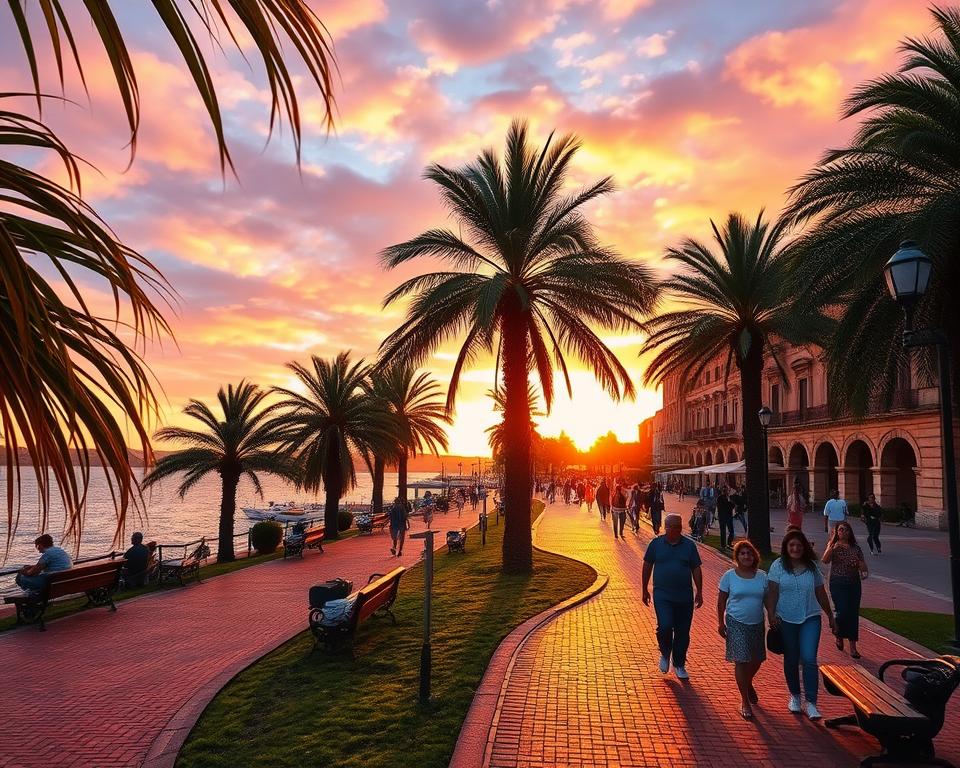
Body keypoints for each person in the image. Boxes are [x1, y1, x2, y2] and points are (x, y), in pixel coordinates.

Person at [766, 530, 835, 720]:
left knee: (809, 658)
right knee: (791, 658)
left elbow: (820, 592)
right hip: (785, 618)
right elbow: (772, 592)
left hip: (810, 617)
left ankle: (811, 702)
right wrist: (770, 614)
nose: (795, 548)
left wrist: (830, 615)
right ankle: (795, 696)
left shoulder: (812, 567)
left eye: (798, 545)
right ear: (786, 548)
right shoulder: (778, 566)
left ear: (804, 547)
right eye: (791, 546)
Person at [642, 513, 704, 680]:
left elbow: (696, 568)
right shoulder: (656, 544)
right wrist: (644, 589)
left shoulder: (689, 546)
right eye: (672, 526)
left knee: (683, 631)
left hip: (684, 595)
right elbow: (647, 565)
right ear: (666, 527)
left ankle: (679, 663)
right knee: (665, 625)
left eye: (679, 526)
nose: (676, 530)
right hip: (663, 594)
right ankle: (664, 652)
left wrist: (700, 590)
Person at [718, 540, 772, 720]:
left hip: (756, 623)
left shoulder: (762, 576)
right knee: (741, 659)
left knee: (756, 660)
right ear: (737, 556)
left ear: (754, 556)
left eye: (749, 553)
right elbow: (721, 601)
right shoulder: (729, 576)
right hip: (735, 622)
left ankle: (747, 683)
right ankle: (744, 701)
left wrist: (772, 616)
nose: (746, 556)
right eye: (742, 553)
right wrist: (720, 622)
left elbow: (768, 600)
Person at [822, 521, 868, 658]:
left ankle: (853, 646)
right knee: (842, 611)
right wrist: (832, 546)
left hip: (854, 583)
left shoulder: (856, 548)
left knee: (853, 613)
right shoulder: (833, 546)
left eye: (846, 530)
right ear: (837, 532)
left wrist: (859, 565)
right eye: (841, 530)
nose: (843, 532)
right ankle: (838, 634)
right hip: (838, 582)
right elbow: (824, 560)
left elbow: (864, 567)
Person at [716, 485, 735, 550]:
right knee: (726, 531)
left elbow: (732, 505)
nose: (727, 491)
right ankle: (725, 545)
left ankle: (726, 544)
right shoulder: (722, 498)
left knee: (728, 531)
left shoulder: (725, 498)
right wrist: (729, 502)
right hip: (724, 516)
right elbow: (731, 506)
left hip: (726, 516)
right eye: (726, 490)